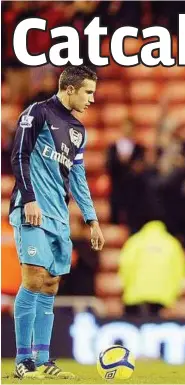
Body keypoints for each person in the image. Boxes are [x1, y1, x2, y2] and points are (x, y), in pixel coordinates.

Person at [9, 65, 105, 379]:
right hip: (32, 209)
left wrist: (92, 219)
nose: (92, 98)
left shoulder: (78, 130)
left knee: (50, 285)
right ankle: (23, 360)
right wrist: (30, 197)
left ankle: (43, 359)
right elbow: (19, 155)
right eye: (88, 92)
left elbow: (77, 177)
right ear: (70, 89)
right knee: (33, 277)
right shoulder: (37, 113)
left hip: (60, 216)